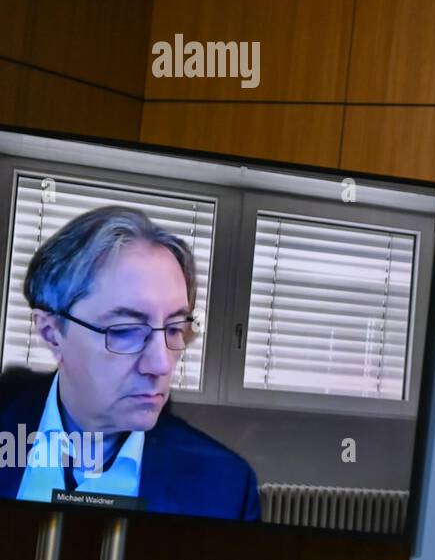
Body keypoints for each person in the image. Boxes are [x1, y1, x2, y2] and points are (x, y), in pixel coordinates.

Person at [0, 206, 260, 521]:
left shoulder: (227, 488)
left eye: (175, 328)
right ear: (51, 332)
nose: (161, 364)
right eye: (125, 332)